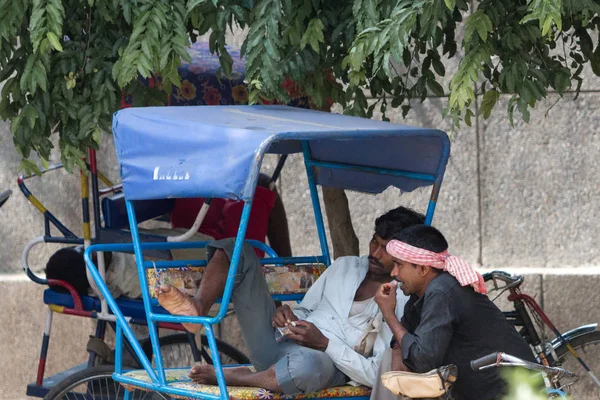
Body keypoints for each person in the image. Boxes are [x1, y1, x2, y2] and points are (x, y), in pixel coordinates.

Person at [157, 206, 425, 394]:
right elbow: (307, 309)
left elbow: (375, 374)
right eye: (373, 242)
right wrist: (288, 315)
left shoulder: (402, 298)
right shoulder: (346, 266)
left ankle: (236, 376)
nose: (375, 253)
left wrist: (324, 344)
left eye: (385, 248)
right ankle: (197, 308)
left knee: (308, 365)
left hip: (322, 365)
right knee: (237, 249)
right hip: (279, 346)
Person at [372, 225, 536, 400]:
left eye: (399, 265)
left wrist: (389, 315)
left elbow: (422, 360)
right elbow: (407, 328)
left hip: (509, 391)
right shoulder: (424, 291)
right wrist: (397, 348)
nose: (393, 273)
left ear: (422, 269)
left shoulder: (441, 291)